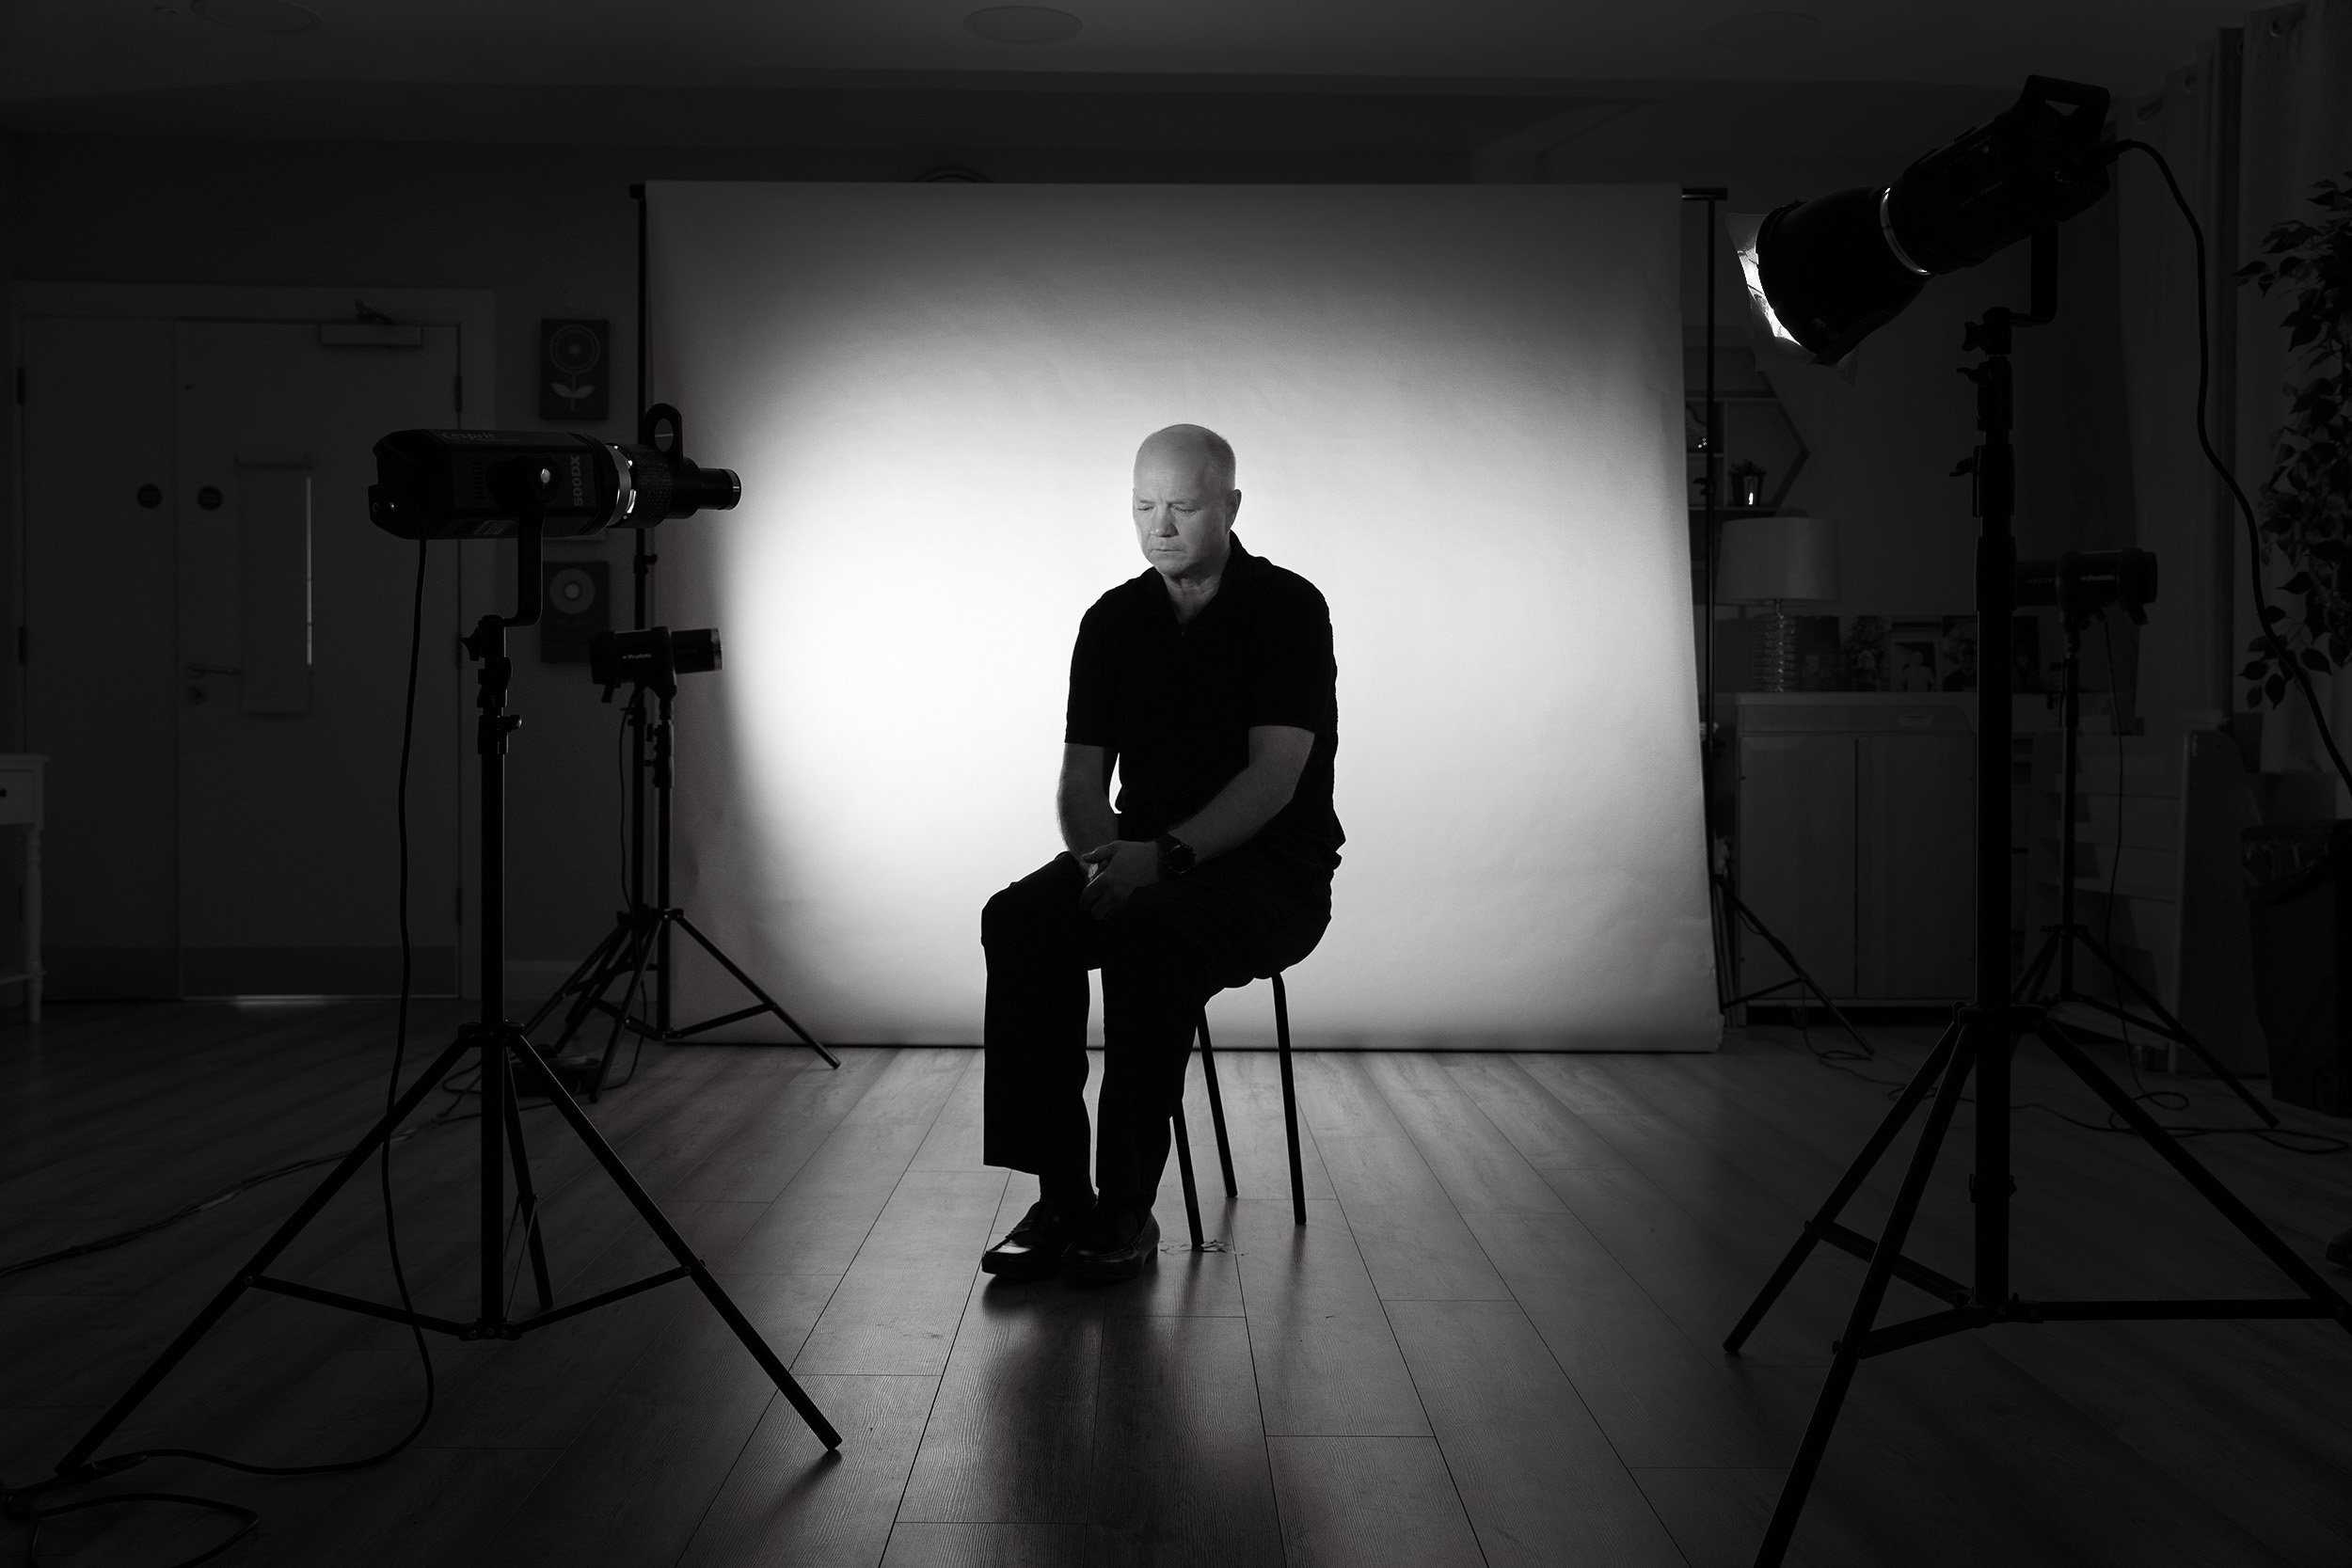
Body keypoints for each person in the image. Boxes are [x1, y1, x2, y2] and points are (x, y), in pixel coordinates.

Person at [977, 424, 1343, 1283]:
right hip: (1136, 860)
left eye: (1182, 505)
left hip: (1270, 874)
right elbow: (1078, 783)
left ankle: (1125, 1209)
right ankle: (1061, 1194)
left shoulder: (1288, 608)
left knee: (1153, 936)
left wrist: (1163, 861)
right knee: (1021, 919)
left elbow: (1276, 777)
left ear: (1231, 507)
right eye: (1144, 505)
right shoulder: (1111, 620)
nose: (1161, 525)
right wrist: (1107, 859)